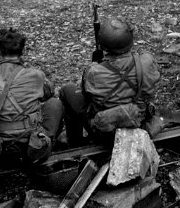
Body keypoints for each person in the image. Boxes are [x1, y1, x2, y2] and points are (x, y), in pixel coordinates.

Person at [0, 27, 63, 167]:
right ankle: (49, 144)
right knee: (55, 104)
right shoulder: (35, 75)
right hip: (30, 148)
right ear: (22, 51)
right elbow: (49, 93)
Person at [60, 16, 160, 145]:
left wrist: (98, 63)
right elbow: (151, 89)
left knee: (67, 90)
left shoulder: (93, 71)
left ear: (103, 45)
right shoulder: (146, 61)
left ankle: (74, 142)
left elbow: (87, 97)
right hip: (139, 123)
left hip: (106, 132)